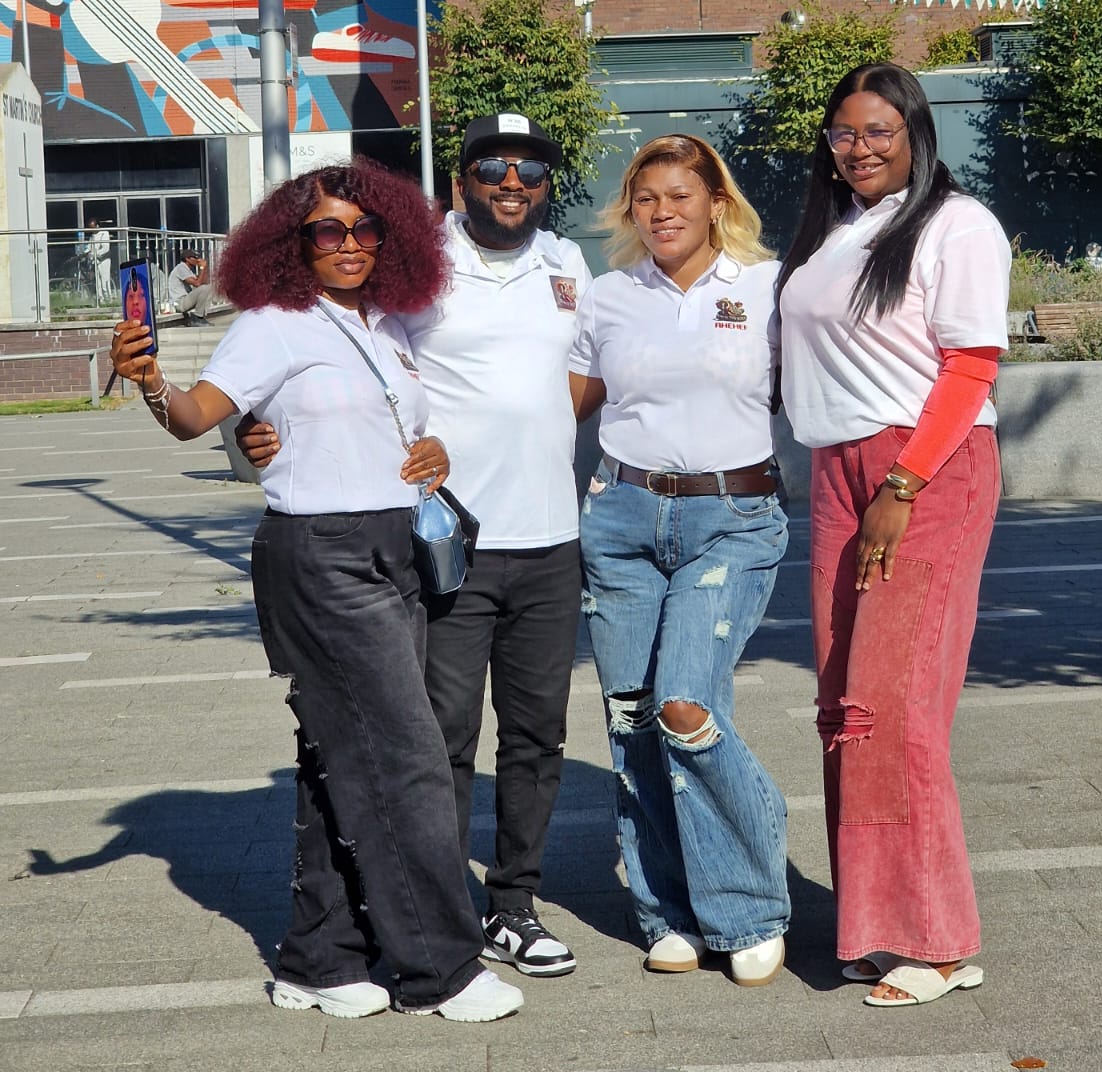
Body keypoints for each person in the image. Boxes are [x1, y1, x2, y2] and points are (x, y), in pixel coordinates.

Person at [109, 160, 524, 1023]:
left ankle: (320, 960)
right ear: (291, 243)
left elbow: (389, 425)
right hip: (320, 555)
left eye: (365, 229)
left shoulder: (387, 323)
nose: (348, 244)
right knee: (406, 757)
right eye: (327, 230)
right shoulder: (272, 324)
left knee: (337, 759)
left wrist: (433, 451)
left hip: (396, 549)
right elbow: (194, 417)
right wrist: (149, 380)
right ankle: (440, 970)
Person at [240, 113, 590, 981]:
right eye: (493, 167)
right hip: (446, 542)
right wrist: (248, 431)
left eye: (531, 169)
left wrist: (534, 431)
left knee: (538, 737)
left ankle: (513, 907)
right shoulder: (417, 263)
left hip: (552, 536)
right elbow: (318, 344)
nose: (513, 182)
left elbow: (581, 379)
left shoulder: (568, 264)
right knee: (439, 740)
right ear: (461, 179)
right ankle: (440, 915)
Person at [776, 62, 1011, 1008]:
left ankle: (938, 942)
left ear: (915, 132)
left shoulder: (958, 224)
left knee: (896, 705)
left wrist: (903, 484)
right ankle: (873, 927)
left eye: (880, 130)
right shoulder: (833, 230)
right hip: (836, 471)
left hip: (923, 468)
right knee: (844, 708)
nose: (860, 147)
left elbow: (972, 364)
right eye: (844, 132)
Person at [567, 134, 790, 987]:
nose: (662, 212)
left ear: (717, 204)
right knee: (631, 719)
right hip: (622, 519)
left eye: (680, 196)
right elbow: (559, 405)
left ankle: (748, 904)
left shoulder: (767, 289)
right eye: (646, 198)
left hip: (732, 518)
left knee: (685, 707)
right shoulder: (609, 296)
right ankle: (666, 911)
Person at [167, 251, 213, 325]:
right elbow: (197, 284)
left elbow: (203, 282)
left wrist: (204, 268)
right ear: (187, 259)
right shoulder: (181, 268)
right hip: (179, 302)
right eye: (195, 257)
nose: (197, 260)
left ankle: (200, 317)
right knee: (205, 288)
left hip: (185, 300)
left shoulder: (188, 270)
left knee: (209, 287)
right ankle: (197, 318)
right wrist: (202, 267)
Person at [86, 219, 113, 301]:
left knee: (105, 280)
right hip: (95, 260)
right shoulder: (92, 236)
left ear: (97, 226)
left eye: (93, 228)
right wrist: (85, 253)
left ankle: (109, 298)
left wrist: (95, 253)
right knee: (98, 281)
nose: (92, 230)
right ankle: (101, 298)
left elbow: (106, 248)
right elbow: (89, 247)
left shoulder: (104, 233)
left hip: (104, 260)